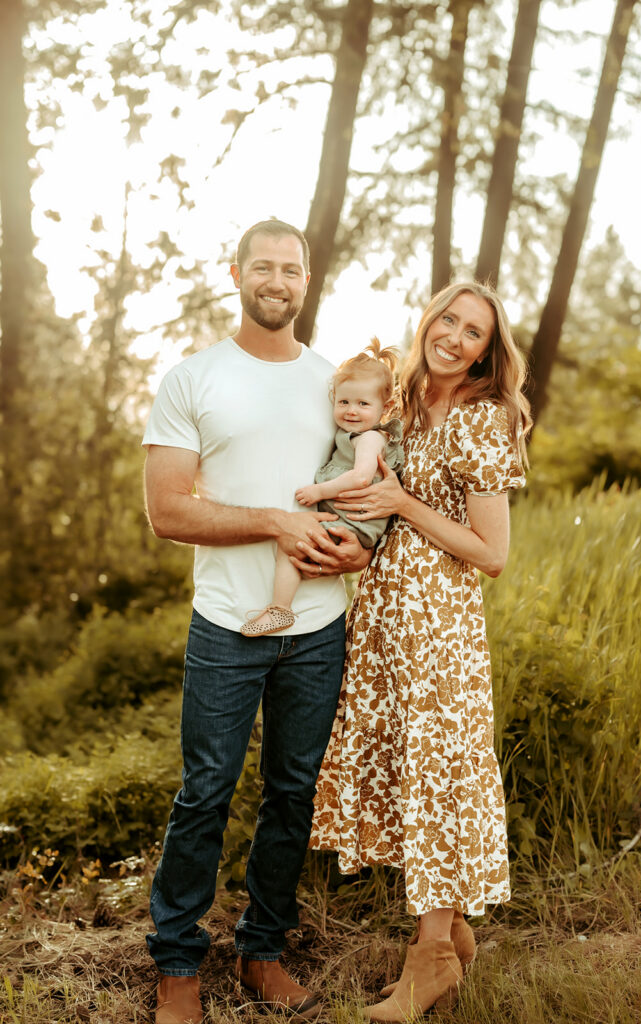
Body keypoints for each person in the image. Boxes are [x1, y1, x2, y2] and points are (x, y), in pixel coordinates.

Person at [142, 218, 372, 1024]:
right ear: (237, 273)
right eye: (264, 266)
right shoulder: (192, 379)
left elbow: (364, 487)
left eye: (292, 269)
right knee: (205, 791)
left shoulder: (334, 381)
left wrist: (354, 553)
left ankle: (262, 951)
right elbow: (167, 511)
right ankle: (177, 966)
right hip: (226, 625)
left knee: (292, 793)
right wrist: (276, 523)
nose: (278, 280)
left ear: (307, 281)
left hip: (318, 627)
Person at [306, 281, 532, 1021]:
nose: (456, 338)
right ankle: (454, 931)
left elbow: (492, 554)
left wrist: (405, 504)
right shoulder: (395, 401)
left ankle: (428, 960)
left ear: (486, 351)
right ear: (428, 321)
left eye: (474, 332)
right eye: (449, 320)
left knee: (437, 778)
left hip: (440, 633)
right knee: (411, 776)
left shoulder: (481, 420)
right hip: (381, 623)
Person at [240, 338, 404, 637]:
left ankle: (280, 609)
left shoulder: (370, 438)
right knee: (297, 545)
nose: (352, 411)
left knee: (291, 544)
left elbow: (360, 478)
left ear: (386, 407)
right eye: (344, 402)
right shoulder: (349, 434)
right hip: (347, 518)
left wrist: (319, 492)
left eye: (363, 404)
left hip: (354, 522)